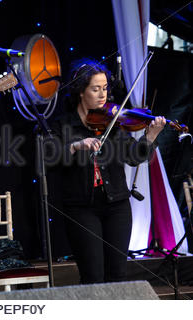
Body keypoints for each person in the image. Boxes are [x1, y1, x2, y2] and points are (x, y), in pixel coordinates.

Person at [49, 60, 166, 284]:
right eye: (95, 89)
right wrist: (76, 146)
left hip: (117, 206)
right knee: (93, 275)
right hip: (81, 208)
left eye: (105, 88)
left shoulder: (111, 122)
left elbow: (133, 158)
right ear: (80, 91)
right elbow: (50, 158)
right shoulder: (62, 125)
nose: (103, 95)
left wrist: (149, 138)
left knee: (118, 275)